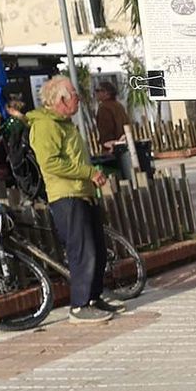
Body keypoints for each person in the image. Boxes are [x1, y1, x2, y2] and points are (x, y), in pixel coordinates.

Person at [26, 77, 121, 323]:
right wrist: (88, 173)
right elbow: (51, 163)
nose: (78, 99)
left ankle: (93, 297)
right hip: (66, 195)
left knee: (97, 249)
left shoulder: (66, 124)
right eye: (74, 95)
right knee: (82, 251)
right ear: (61, 99)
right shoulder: (46, 126)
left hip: (82, 192)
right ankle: (79, 305)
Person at [92, 78, 132, 183]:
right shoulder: (119, 106)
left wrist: (107, 146)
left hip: (111, 149)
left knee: (113, 181)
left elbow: (106, 131)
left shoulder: (104, 108)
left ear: (106, 93)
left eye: (98, 90)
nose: (96, 93)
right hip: (123, 146)